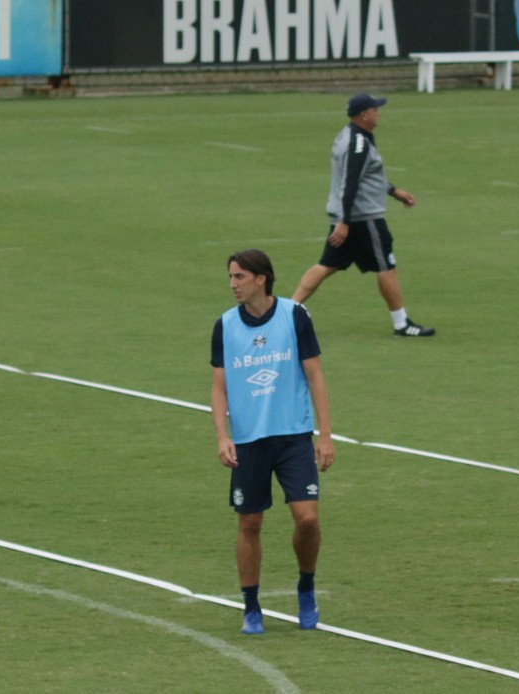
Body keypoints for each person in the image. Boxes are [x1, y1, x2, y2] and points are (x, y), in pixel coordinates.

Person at [211, 249, 335, 635]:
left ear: (261, 278)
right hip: (249, 442)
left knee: (309, 519)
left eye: (239, 277)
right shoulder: (225, 325)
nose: (232, 284)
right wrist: (222, 436)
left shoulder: (294, 316)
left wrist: (325, 435)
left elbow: (314, 376)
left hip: (294, 436)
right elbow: (219, 387)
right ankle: (251, 606)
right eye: (231, 277)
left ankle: (306, 586)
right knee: (250, 522)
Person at [292, 93, 436, 337]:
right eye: (375, 109)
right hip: (363, 217)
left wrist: (393, 191)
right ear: (364, 115)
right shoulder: (358, 143)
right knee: (386, 265)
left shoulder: (349, 135)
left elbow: (368, 176)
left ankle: (287, 311)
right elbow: (350, 182)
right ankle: (402, 323)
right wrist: (344, 222)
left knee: (327, 264)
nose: (379, 113)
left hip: (349, 215)